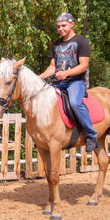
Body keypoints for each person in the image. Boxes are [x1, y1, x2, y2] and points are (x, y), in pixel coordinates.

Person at [39, 12, 99, 152]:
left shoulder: (81, 41)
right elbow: (53, 67)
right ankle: (43, 136)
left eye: (64, 26)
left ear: (72, 24)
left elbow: (83, 65)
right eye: (58, 26)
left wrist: (66, 73)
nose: (61, 29)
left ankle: (91, 135)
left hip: (75, 81)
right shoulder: (56, 44)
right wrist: (41, 76)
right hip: (58, 82)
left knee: (74, 103)